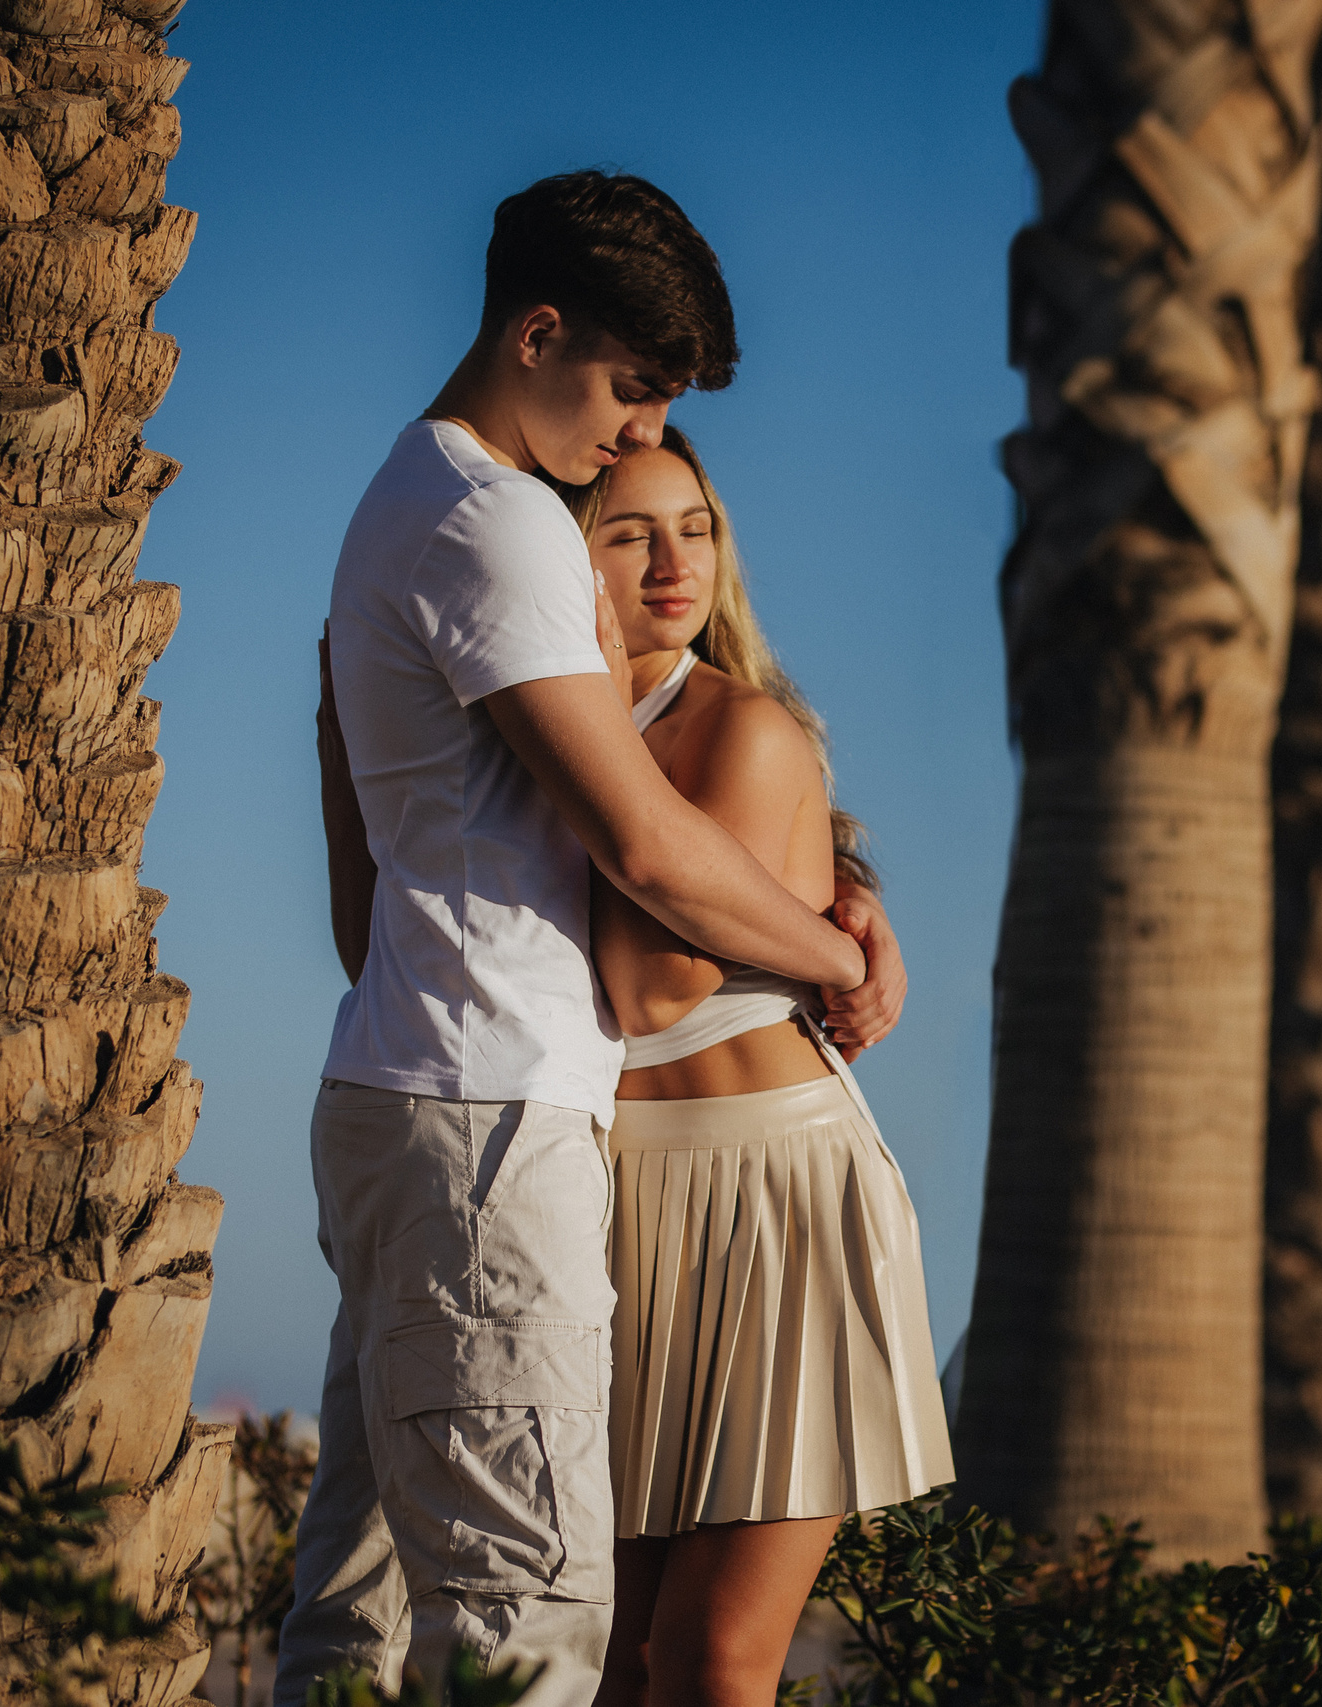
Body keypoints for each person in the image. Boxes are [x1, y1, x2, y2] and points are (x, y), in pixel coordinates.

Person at [280, 171, 906, 1707]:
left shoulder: (401, 496)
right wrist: (836, 948)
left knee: (353, 1614)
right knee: (528, 1625)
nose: (634, 434)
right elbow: (641, 844)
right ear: (535, 330)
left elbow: (364, 895)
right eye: (629, 393)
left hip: (399, 1088)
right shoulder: (496, 523)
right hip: (488, 1120)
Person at [571, 429, 952, 1707]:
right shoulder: (547, 731)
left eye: (695, 527)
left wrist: (835, 936)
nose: (674, 560)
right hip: (622, 1202)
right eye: (630, 531)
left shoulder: (741, 725)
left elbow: (653, 981)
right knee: (613, 1663)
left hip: (777, 1206)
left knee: (714, 1660)